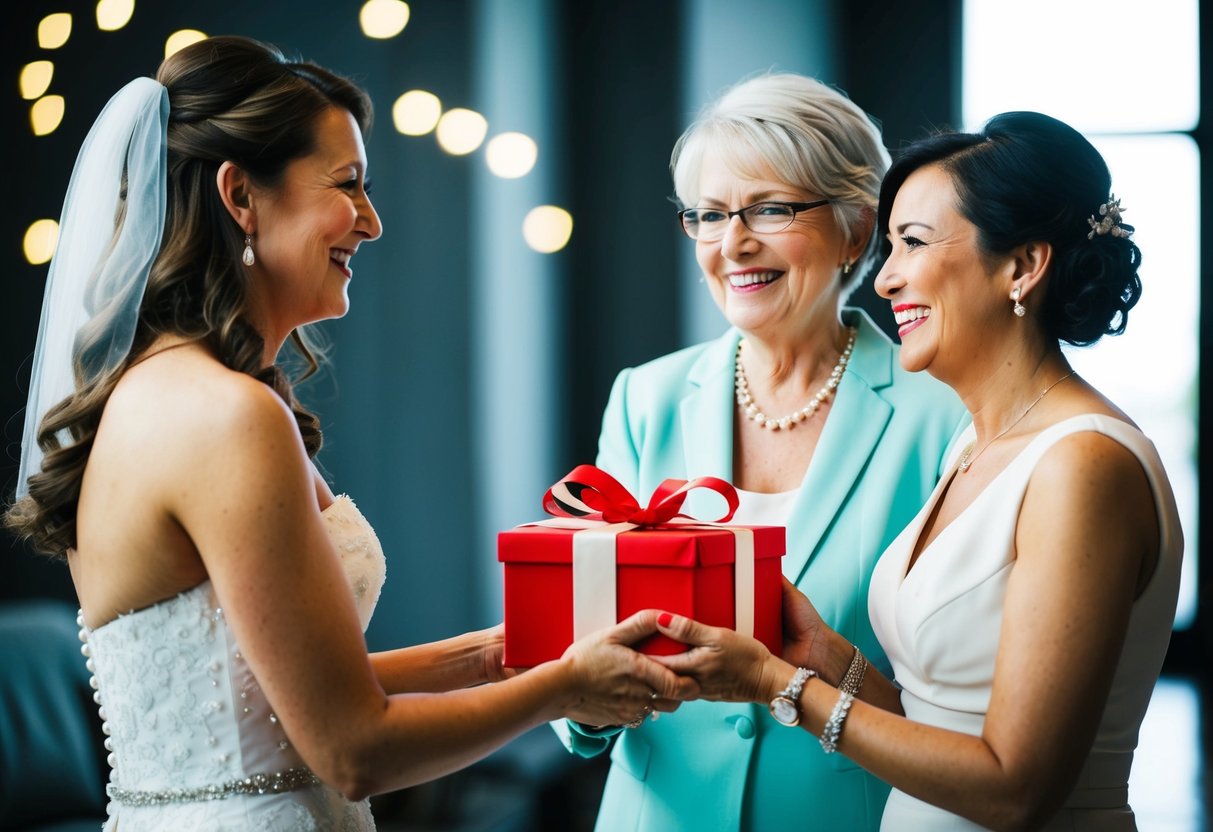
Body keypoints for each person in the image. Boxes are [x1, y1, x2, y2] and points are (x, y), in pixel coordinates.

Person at [4, 36, 695, 831]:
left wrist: (503, 653)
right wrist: (565, 688)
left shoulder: (144, 394)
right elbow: (353, 750)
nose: (370, 222)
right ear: (240, 196)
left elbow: (265, 695)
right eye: (348, 185)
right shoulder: (229, 416)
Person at [652, 110, 1183, 831]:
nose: (886, 279)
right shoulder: (978, 446)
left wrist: (776, 683)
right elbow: (936, 726)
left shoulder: (1082, 463)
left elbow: (1015, 790)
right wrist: (821, 655)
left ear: (1022, 266)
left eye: (913, 242)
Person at [552, 73, 968, 830]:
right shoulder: (644, 397)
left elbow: (957, 723)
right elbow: (579, 642)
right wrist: (581, 699)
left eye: (770, 209)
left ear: (855, 229)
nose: (732, 243)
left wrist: (808, 672)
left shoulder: (944, 417)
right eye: (709, 215)